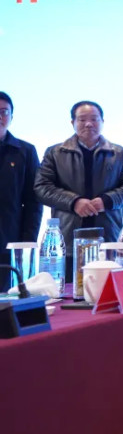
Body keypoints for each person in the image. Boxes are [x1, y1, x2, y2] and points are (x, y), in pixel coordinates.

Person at [35, 101, 123, 255]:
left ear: (102, 121)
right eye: (82, 119)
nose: (89, 124)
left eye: (94, 119)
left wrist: (107, 201)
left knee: (108, 270)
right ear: (72, 122)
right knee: (70, 271)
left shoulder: (119, 153)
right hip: (67, 237)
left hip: (109, 237)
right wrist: (73, 202)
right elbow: (42, 188)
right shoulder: (55, 153)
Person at [0, 92, 42, 288]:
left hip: (9, 244)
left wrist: (28, 244)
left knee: (8, 300)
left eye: (4, 112)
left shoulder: (25, 151)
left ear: (11, 116)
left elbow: (34, 201)